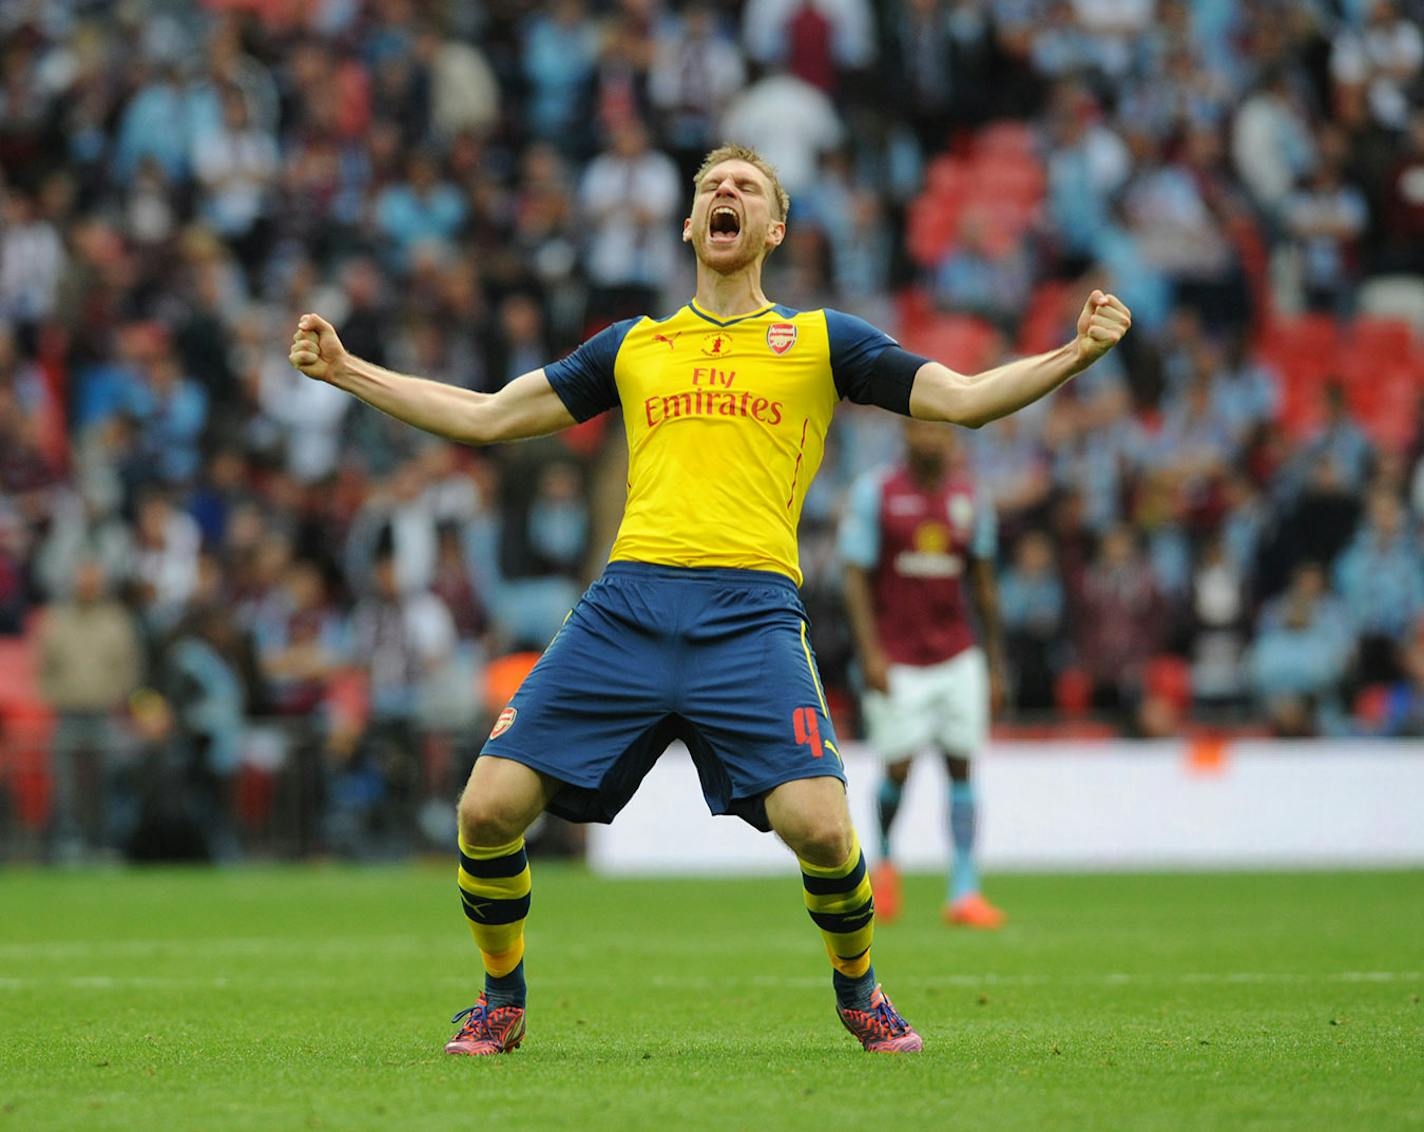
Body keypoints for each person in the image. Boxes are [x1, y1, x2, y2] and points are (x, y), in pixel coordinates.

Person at [287, 143, 1131, 1057]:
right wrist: (347, 371)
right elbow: (487, 415)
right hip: (626, 607)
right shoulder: (634, 346)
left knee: (822, 826)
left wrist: (1074, 354)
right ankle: (501, 998)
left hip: (750, 613)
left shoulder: (822, 341)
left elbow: (962, 400)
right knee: (485, 810)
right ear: (691, 224)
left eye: (748, 188)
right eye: (711, 187)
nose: (726, 193)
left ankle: (860, 990)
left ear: (774, 228)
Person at [839, 418, 1008, 929]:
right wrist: (870, 654)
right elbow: (854, 578)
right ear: (906, 438)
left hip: (957, 654)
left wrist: (995, 664)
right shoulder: (876, 493)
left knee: (961, 765)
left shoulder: (969, 498)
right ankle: (886, 859)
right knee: (897, 768)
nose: (931, 440)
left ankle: (964, 888)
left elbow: (983, 584)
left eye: (941, 433)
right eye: (922, 431)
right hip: (898, 656)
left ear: (953, 441)